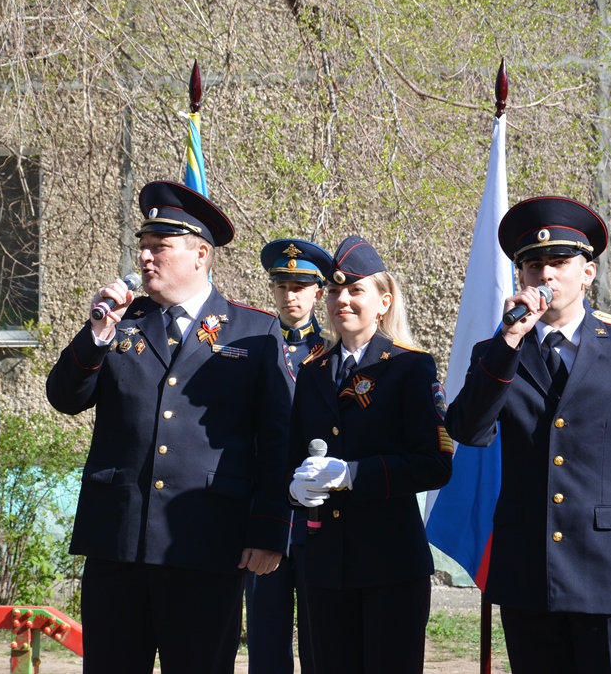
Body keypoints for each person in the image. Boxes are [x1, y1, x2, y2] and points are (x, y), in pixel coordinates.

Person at [46, 180, 295, 674]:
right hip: (118, 543)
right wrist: (97, 333)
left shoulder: (254, 330)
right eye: (142, 246)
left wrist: (269, 530)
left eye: (159, 247)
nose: (144, 257)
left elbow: (277, 437)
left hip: (204, 542)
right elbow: (65, 398)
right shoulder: (123, 323)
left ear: (201, 254)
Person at [444, 196, 611, 673]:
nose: (546, 276)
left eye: (559, 263)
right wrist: (509, 342)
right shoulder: (496, 352)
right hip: (527, 573)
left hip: (608, 573)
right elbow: (468, 431)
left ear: (588, 273)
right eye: (534, 265)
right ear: (520, 276)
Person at [287, 235, 453, 674]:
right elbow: (290, 455)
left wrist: (352, 474)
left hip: (390, 565)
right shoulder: (312, 371)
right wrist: (293, 486)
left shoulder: (409, 367)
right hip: (324, 567)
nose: (343, 299)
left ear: (383, 301)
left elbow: (435, 463)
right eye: (336, 291)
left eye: (356, 290)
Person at [245, 238, 331, 674]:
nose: (290, 295)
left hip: (318, 520)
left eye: (301, 286)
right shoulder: (251, 348)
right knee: (266, 639)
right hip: (265, 515)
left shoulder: (332, 354)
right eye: (282, 285)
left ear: (319, 292)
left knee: (321, 639)